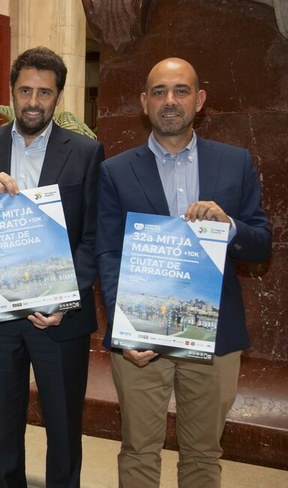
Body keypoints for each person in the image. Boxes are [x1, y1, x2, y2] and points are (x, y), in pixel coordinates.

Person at [95, 57, 272, 487]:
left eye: (181, 90)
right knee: (138, 451)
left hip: (215, 336)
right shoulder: (115, 171)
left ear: (200, 99)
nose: (170, 101)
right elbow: (109, 254)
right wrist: (127, 329)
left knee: (203, 457)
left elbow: (262, 244)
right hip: (142, 338)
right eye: (159, 92)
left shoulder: (235, 163)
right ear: (144, 103)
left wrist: (229, 227)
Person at [0, 47, 104, 488]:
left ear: (58, 96)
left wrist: (65, 298)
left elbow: (94, 236)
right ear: (12, 92)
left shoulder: (85, 152)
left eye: (44, 92)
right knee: (3, 432)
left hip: (59, 319)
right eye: (25, 91)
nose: (33, 102)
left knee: (64, 432)